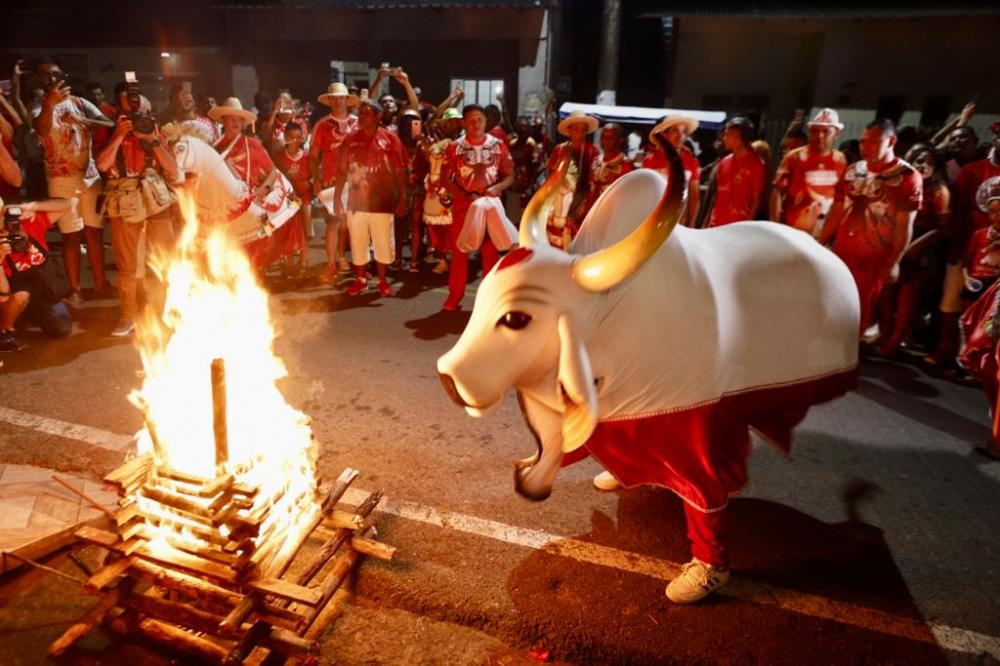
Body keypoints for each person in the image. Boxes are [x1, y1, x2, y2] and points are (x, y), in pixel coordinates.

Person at [819, 119, 922, 335]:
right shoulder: (852, 171)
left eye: (873, 142)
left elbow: (905, 225)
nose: (866, 147)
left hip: (875, 257)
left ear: (891, 141)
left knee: (859, 314)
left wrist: (894, 262)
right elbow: (836, 212)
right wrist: (819, 243)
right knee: (833, 307)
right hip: (844, 253)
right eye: (863, 142)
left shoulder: (907, 176)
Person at [96, 88, 178, 337]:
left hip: (155, 195)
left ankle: (169, 312)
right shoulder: (109, 132)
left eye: (140, 112)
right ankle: (129, 315)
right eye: (129, 112)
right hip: (125, 197)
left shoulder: (153, 132)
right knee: (127, 263)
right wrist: (119, 135)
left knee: (167, 259)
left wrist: (152, 140)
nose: (135, 116)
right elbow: (102, 164)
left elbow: (172, 169)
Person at [32, 57, 113, 306]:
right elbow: (42, 130)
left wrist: (84, 121)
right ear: (40, 80)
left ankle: (100, 284)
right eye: (46, 75)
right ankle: (75, 289)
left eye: (55, 73)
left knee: (94, 233)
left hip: (89, 177)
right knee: (71, 236)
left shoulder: (80, 102)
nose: (51, 78)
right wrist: (50, 104)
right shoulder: (39, 105)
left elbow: (108, 123)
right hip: (60, 179)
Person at [927, 121, 1000, 366]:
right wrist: (957, 245)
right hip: (968, 245)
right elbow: (958, 210)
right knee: (952, 297)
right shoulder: (973, 170)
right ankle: (945, 346)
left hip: (996, 253)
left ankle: (976, 356)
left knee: (988, 307)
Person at [873, 145, 951, 357]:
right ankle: (884, 333)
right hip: (898, 240)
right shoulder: (904, 184)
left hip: (921, 246)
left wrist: (916, 246)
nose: (922, 165)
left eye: (928, 162)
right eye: (917, 160)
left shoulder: (939, 191)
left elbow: (943, 228)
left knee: (908, 295)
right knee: (887, 291)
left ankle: (895, 341)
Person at [439, 104, 514, 311]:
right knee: (459, 252)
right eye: (471, 120)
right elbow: (445, 179)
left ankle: (489, 300)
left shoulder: (497, 144)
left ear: (485, 121)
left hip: (490, 206)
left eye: (479, 119)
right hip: (464, 206)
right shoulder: (454, 147)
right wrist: (463, 194)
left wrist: (497, 187)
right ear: (463, 123)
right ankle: (455, 296)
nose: (475, 124)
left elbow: (510, 175)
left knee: (490, 253)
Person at [333, 101, 408, 298]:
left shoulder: (390, 139)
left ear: (378, 116)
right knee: (358, 243)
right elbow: (341, 171)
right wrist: (336, 198)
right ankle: (361, 281)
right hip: (356, 203)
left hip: (382, 202)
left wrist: (403, 198)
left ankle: (383, 281)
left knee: (382, 242)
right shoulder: (350, 139)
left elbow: (401, 171)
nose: (361, 117)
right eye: (360, 113)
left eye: (366, 113)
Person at [210, 97, 289, 273]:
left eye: (238, 119)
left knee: (252, 261)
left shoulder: (252, 144)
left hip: (249, 207)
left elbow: (273, 172)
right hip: (225, 210)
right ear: (223, 121)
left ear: (243, 123)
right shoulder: (214, 149)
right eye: (230, 118)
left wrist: (262, 190)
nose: (235, 122)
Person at [0, 196, 74, 350]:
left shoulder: (29, 222)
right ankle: (5, 330)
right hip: (13, 293)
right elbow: (3, 293)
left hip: (43, 288)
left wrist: (32, 206)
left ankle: (27, 315)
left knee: (61, 328)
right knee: (21, 293)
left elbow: (68, 203)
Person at [770, 107, 847, 238]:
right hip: (792, 231)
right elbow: (777, 192)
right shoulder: (794, 157)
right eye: (815, 131)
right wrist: (775, 228)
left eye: (826, 131)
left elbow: (841, 200)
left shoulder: (841, 160)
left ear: (837, 134)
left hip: (823, 232)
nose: (820, 135)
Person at [311, 83, 360, 280]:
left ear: (347, 100)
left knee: (352, 224)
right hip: (331, 182)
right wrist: (316, 178)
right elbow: (313, 156)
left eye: (341, 97)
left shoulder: (358, 123)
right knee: (333, 224)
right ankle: (331, 263)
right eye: (333, 97)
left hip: (356, 180)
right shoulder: (322, 125)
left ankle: (350, 260)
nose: (337, 101)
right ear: (329, 101)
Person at [545, 110, 599, 248]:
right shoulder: (560, 149)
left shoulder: (593, 151)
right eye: (576, 129)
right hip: (559, 199)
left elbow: (593, 179)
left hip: (582, 200)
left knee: (578, 236)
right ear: (570, 131)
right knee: (556, 234)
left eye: (583, 130)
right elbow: (551, 175)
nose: (580, 133)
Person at [423, 108, 463, 274]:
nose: (452, 125)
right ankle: (442, 258)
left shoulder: (466, 143)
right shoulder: (436, 146)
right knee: (438, 226)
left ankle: (458, 260)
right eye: (449, 122)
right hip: (439, 188)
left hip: (460, 189)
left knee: (459, 226)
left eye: (455, 121)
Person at [706, 115, 766, 227]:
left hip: (738, 226)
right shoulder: (724, 162)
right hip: (716, 224)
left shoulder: (756, 164)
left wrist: (746, 226)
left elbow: (756, 200)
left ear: (739, 136)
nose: (724, 138)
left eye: (727, 134)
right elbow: (717, 197)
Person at [643, 115, 701, 227]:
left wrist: (692, 223)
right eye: (675, 131)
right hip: (653, 220)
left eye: (683, 132)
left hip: (680, 221)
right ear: (664, 134)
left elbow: (694, 195)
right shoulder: (649, 160)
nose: (680, 136)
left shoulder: (691, 160)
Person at [272, 121, 313, 271]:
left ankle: (304, 258)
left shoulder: (307, 157)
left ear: (302, 138)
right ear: (285, 137)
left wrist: (309, 184)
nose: (294, 142)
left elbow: (314, 177)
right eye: (291, 138)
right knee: (287, 227)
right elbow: (275, 177)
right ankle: (288, 260)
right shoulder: (279, 157)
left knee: (306, 224)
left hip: (304, 198)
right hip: (287, 199)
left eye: (298, 138)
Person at [397, 109, 429, 272]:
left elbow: (433, 160)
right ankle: (398, 257)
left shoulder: (423, 142)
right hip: (399, 187)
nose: (410, 126)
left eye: (414, 122)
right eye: (406, 122)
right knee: (399, 223)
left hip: (418, 188)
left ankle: (414, 260)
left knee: (417, 223)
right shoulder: (397, 141)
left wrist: (424, 142)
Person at [588, 122, 633, 210]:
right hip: (591, 213)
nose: (605, 140)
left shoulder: (625, 165)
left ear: (620, 140)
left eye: (610, 138)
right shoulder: (595, 161)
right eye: (603, 137)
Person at [167, 81, 220, 145]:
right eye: (179, 96)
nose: (185, 98)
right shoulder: (170, 129)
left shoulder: (208, 124)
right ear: (174, 102)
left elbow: (215, 150)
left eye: (187, 94)